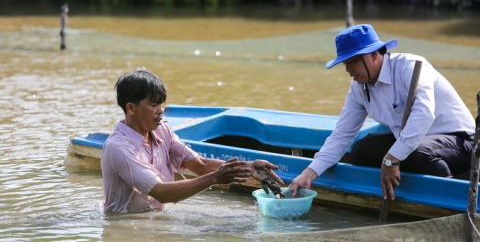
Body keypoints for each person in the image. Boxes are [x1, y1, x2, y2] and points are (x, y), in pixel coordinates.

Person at [290, 24, 475, 201]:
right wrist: (308, 174)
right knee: (362, 150)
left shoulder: (409, 67)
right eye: (345, 63)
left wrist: (391, 159)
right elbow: (341, 136)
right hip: (416, 143)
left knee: (415, 151)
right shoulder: (358, 88)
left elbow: (424, 114)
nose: (348, 69)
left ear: (374, 54)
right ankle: (395, 193)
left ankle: (447, 196)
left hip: (461, 141)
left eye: (353, 61)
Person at [102, 68, 283, 213]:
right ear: (131, 108)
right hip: (122, 226)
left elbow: (201, 165)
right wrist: (214, 179)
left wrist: (248, 167)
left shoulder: (162, 131)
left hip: (153, 219)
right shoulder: (119, 148)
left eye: (161, 104)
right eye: (154, 105)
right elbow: (161, 192)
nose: (161, 110)